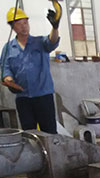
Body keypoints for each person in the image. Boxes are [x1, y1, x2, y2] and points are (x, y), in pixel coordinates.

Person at [1, 5, 61, 134]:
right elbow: (5, 69)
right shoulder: (8, 48)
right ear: (13, 27)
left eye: (26, 23)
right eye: (19, 24)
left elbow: (52, 41)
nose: (24, 26)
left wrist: (55, 28)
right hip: (23, 99)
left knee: (49, 133)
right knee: (29, 134)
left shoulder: (40, 42)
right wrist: (9, 81)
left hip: (43, 96)